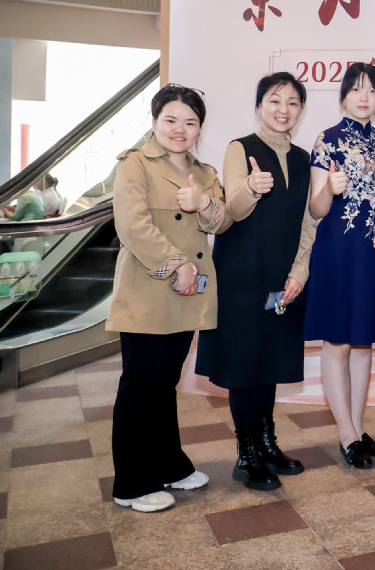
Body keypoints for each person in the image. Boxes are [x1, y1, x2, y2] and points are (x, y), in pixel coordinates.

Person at [196, 72, 317, 490]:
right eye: (274, 101)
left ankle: (267, 444)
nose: (284, 110)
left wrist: (299, 271)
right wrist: (250, 187)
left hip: (281, 283)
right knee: (243, 363)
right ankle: (246, 453)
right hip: (242, 279)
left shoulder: (303, 159)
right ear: (259, 106)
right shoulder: (240, 148)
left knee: (270, 360)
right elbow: (232, 210)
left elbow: (308, 222)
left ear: (301, 110)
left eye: (293, 102)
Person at [107, 84, 224, 512]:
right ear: (155, 121)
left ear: (199, 128)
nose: (180, 129)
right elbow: (133, 226)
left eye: (190, 122)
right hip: (149, 287)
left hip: (188, 292)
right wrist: (176, 264)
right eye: (171, 120)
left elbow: (222, 221)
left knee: (164, 383)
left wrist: (202, 202)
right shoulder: (135, 164)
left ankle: (169, 464)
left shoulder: (205, 172)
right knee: (140, 385)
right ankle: (131, 483)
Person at [304, 62, 375, 469]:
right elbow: (316, 208)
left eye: (372, 90)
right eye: (357, 89)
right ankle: (346, 433)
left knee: (363, 343)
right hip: (340, 252)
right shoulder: (328, 139)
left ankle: (357, 428)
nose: (364, 97)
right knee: (339, 342)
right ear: (343, 95)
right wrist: (329, 187)